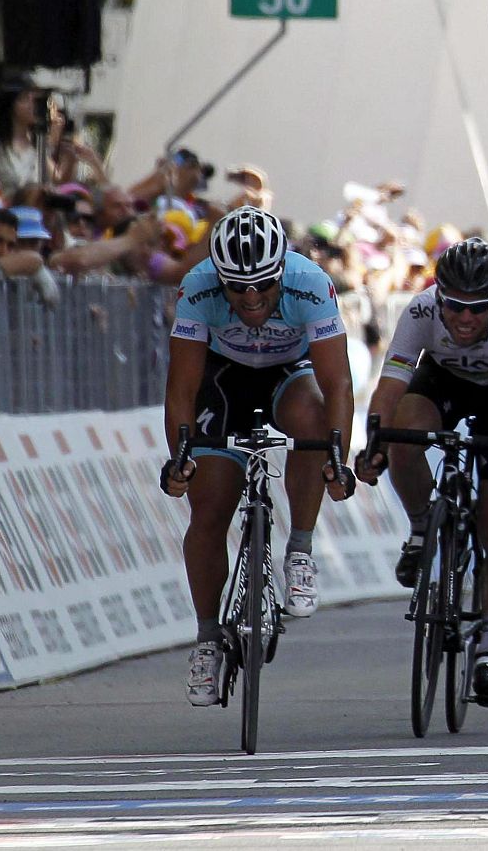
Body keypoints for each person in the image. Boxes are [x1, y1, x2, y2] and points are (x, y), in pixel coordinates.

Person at [158, 207, 356, 707]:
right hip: (222, 379)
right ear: (218, 278)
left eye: (263, 286)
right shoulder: (198, 287)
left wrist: (338, 455)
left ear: (281, 272)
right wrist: (179, 456)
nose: (250, 298)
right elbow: (181, 387)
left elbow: (338, 383)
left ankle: (301, 550)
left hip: (287, 373)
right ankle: (206, 639)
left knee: (313, 423)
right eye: (237, 288)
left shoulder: (311, 283)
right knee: (210, 506)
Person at [356, 237, 488, 706]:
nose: (465, 319)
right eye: (455, 307)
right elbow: (389, 387)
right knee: (405, 431)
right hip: (442, 379)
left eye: (478, 308)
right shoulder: (421, 312)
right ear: (438, 297)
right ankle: (423, 526)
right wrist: (376, 444)